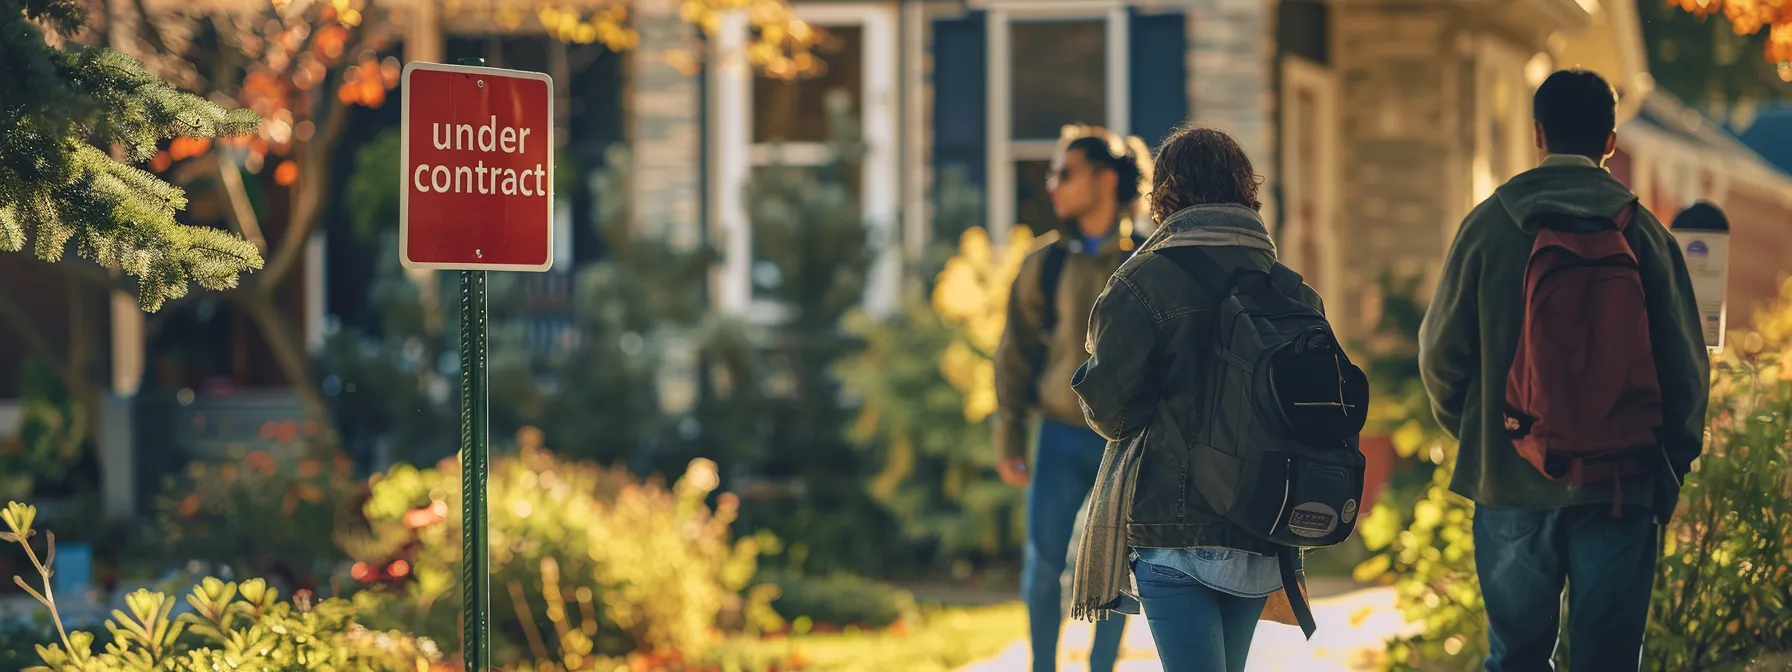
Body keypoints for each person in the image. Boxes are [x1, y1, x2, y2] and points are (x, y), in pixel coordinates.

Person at [1418, 69, 1709, 671]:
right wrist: (1666, 467)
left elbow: (1440, 356)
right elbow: (1687, 371)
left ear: (1538, 133)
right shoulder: (1645, 234)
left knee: (1517, 657)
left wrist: (1486, 437)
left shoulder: (1488, 226)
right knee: (1607, 660)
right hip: (1622, 484)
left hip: (1509, 483)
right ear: (1610, 140)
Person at [1068, 125, 1360, 672]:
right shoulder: (1291, 289)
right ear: (1244, 190)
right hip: (1260, 523)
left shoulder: (1143, 282)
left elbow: (1112, 415)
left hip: (1173, 532)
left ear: (1168, 193)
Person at [993, 124, 1150, 672]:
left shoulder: (1149, 261)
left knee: (1113, 570)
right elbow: (1013, 355)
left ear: (1104, 180)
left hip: (1125, 443)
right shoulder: (1043, 264)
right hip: (1058, 435)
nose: (1052, 184)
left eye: (1065, 173)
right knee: (1042, 566)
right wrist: (1010, 437)